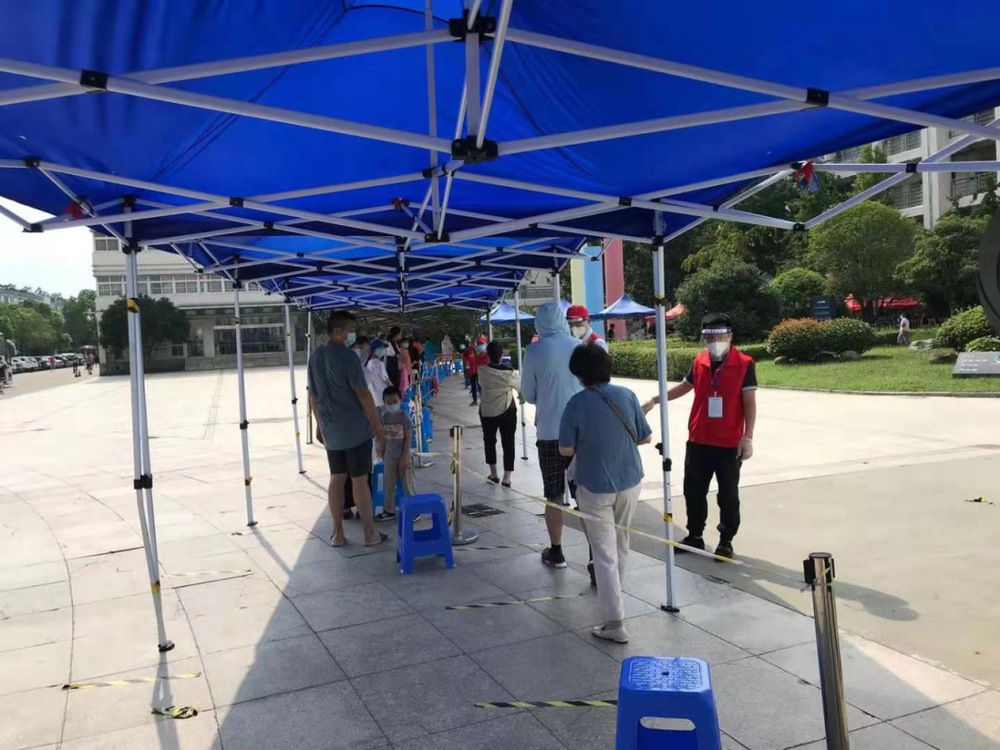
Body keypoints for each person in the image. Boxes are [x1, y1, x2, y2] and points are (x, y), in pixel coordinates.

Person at [644, 313, 756, 559]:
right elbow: (684, 387)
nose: (714, 341)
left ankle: (726, 540)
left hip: (728, 443)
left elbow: (749, 402)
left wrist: (747, 437)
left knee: (728, 495)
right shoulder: (700, 361)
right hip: (699, 440)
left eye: (720, 336)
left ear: (730, 336)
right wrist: (655, 400)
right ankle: (695, 535)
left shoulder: (744, 363)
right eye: (709, 337)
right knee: (693, 492)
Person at [560, 344, 652, 643]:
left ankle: (615, 622)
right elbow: (646, 437)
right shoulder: (627, 395)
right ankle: (616, 604)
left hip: (594, 485)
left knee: (603, 554)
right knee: (621, 544)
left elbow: (565, 449)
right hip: (630, 481)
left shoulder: (576, 403)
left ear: (579, 373)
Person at [307, 310, 388, 548]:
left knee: (337, 479)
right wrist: (377, 426)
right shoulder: (348, 357)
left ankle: (338, 534)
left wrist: (319, 425)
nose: (353, 335)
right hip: (355, 431)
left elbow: (313, 395)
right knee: (360, 480)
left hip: (331, 432)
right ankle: (370, 534)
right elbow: (363, 393)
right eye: (350, 331)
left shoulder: (315, 357)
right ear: (337, 331)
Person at [521, 301, 583, 568]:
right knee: (585, 496)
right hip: (580, 433)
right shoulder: (579, 347)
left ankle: (556, 551)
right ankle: (596, 557)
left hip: (548, 433)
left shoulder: (534, 351)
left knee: (553, 495)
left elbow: (528, 394)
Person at [478, 341, 521, 487]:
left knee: (489, 441)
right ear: (501, 355)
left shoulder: (482, 371)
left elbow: (481, 384)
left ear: (488, 355)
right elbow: (520, 388)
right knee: (508, 442)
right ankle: (506, 477)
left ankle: (493, 474)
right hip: (507, 410)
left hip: (487, 411)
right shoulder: (510, 373)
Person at [375, 386, 416, 522]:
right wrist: (381, 451)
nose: (392, 405)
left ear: (400, 400)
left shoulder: (404, 418)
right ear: (384, 403)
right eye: (388, 402)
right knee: (389, 484)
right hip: (389, 457)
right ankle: (389, 510)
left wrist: (405, 457)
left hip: (404, 456)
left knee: (407, 484)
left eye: (394, 401)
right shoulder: (384, 418)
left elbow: (408, 439)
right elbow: (382, 437)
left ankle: (414, 510)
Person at [364, 339, 392, 408]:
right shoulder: (379, 364)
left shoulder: (368, 364)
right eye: (381, 348)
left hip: (375, 399)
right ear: (374, 350)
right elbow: (386, 380)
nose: (383, 350)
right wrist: (395, 391)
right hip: (383, 397)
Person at [466, 336, 489, 406]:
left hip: (480, 373)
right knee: (473, 387)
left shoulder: (487, 354)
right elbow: (467, 361)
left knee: (481, 386)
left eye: (481, 344)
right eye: (479, 344)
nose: (480, 345)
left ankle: (484, 400)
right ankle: (475, 400)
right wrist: (468, 371)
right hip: (473, 372)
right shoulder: (472, 351)